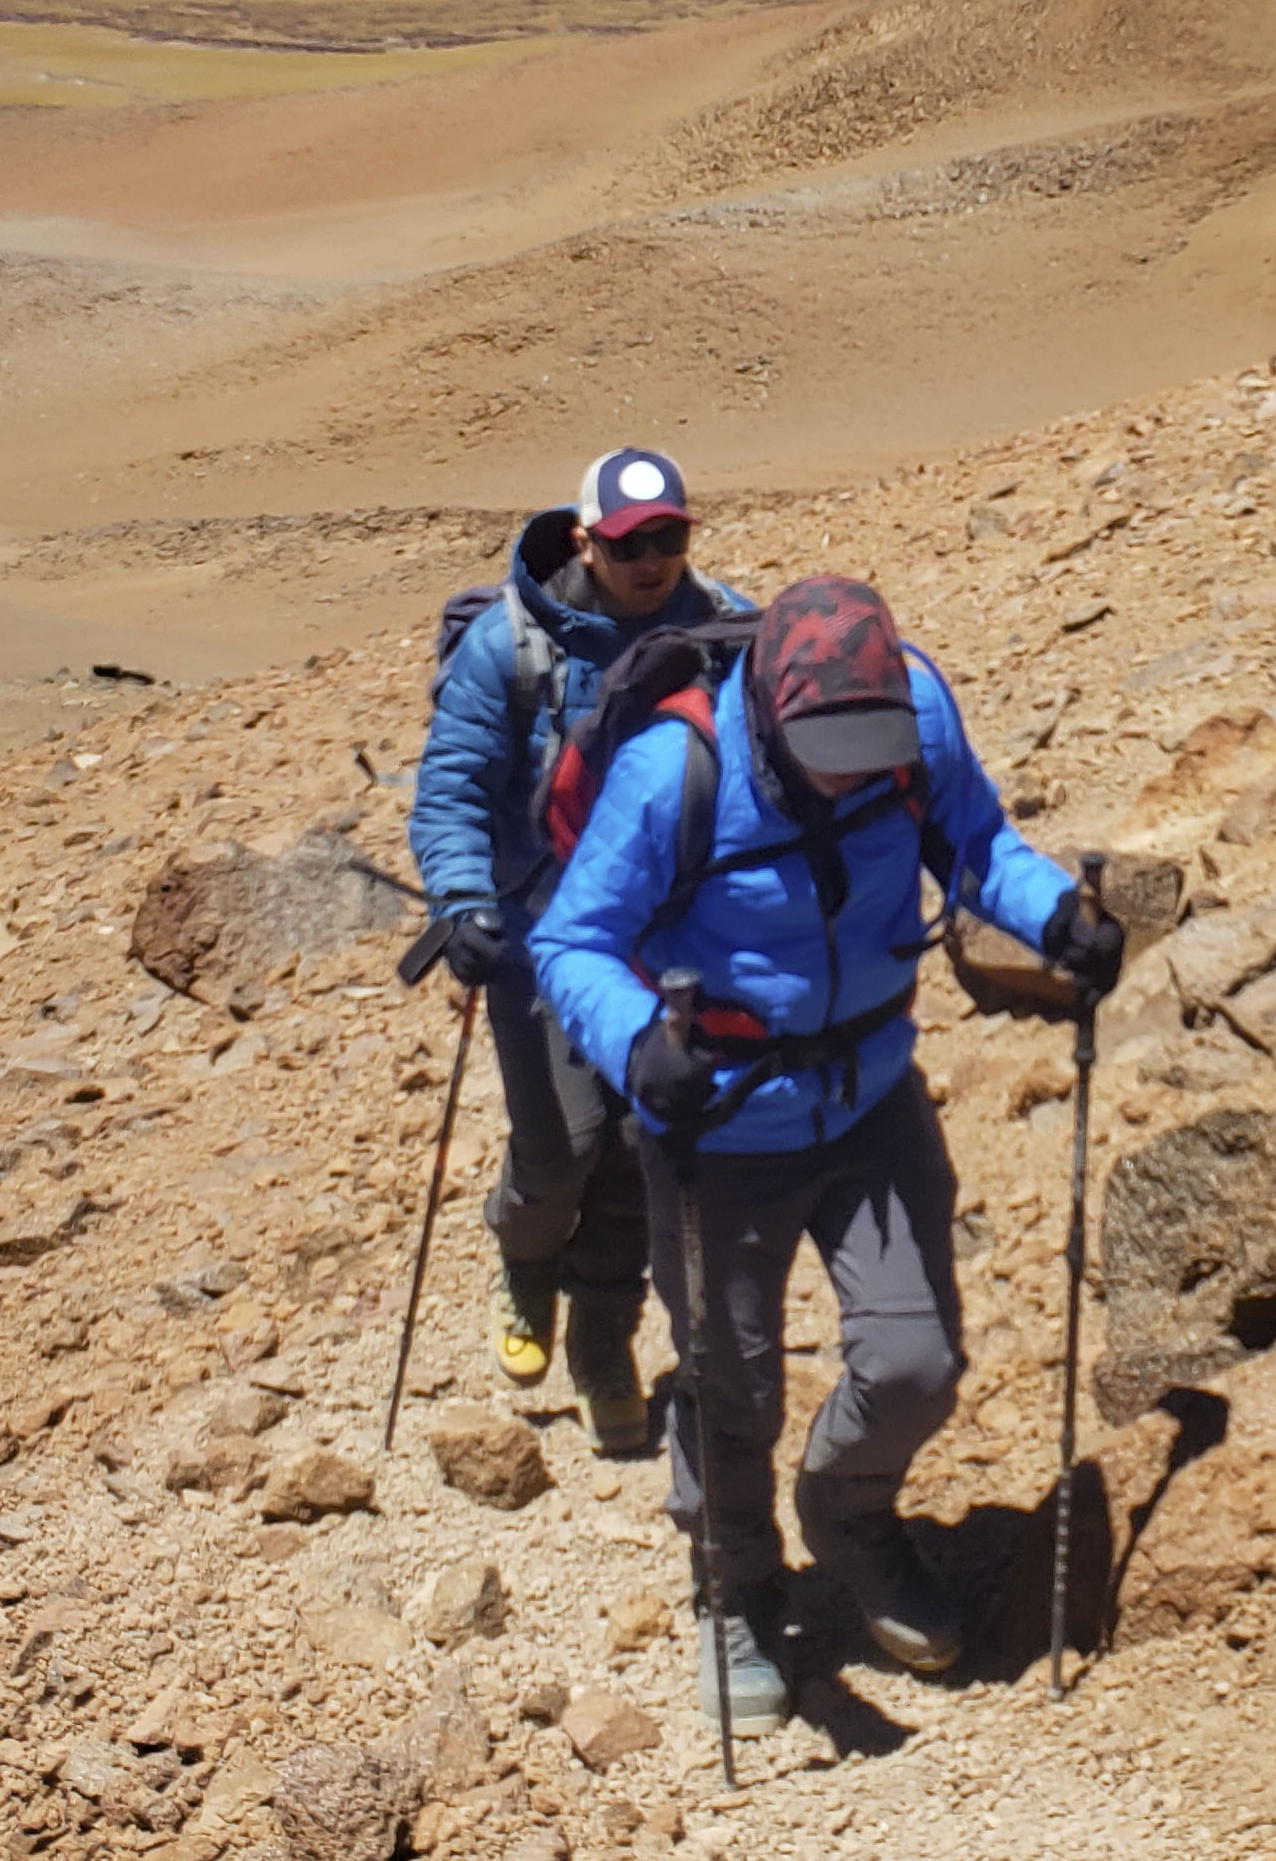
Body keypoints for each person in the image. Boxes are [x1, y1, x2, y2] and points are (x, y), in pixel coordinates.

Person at [529, 574, 1124, 1733]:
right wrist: (636, 1040)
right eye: (826, 751)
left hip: (870, 1100)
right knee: (727, 1380)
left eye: (868, 747)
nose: (851, 770)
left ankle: (846, 1507)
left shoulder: (918, 714)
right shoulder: (674, 772)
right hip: (718, 1129)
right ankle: (736, 1586)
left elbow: (974, 843)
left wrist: (1053, 916)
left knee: (918, 1361)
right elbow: (573, 936)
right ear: (771, 713)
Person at [409, 446, 751, 1453]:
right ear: (583, 541)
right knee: (563, 1142)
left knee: (647, 1140)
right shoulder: (511, 645)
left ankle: (603, 1337)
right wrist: (462, 898)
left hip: (668, 933)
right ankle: (523, 1254)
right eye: (627, 542)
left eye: (668, 537)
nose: (650, 559)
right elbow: (452, 786)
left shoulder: (723, 624)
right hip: (539, 930)